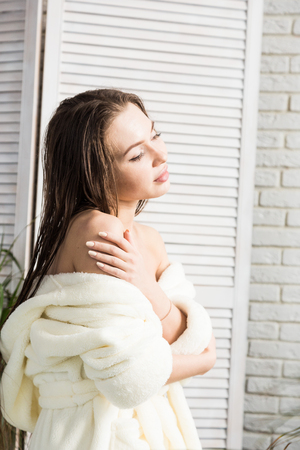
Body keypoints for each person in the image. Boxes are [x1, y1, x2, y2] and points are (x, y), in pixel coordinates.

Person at [0, 88, 216, 449]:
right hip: (101, 434)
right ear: (95, 171)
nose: (160, 155)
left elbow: (188, 336)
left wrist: (147, 284)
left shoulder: (148, 240)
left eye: (155, 135)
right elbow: (130, 376)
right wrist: (204, 362)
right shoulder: (98, 231)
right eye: (137, 154)